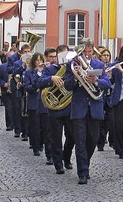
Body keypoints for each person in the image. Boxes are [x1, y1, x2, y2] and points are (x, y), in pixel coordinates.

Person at [63, 39, 111, 184]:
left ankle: (86, 163)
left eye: (90, 52)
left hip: (95, 107)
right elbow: (67, 85)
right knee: (80, 141)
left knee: (92, 140)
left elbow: (107, 84)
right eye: (85, 52)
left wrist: (95, 81)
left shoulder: (98, 64)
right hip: (79, 108)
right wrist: (78, 79)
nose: (87, 55)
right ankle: (82, 172)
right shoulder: (72, 65)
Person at [39, 45, 75, 175]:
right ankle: (58, 163)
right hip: (55, 108)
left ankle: (66, 156)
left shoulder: (73, 68)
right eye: (62, 55)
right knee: (56, 137)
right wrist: (51, 78)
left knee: (72, 136)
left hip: (70, 107)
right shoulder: (50, 69)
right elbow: (40, 82)